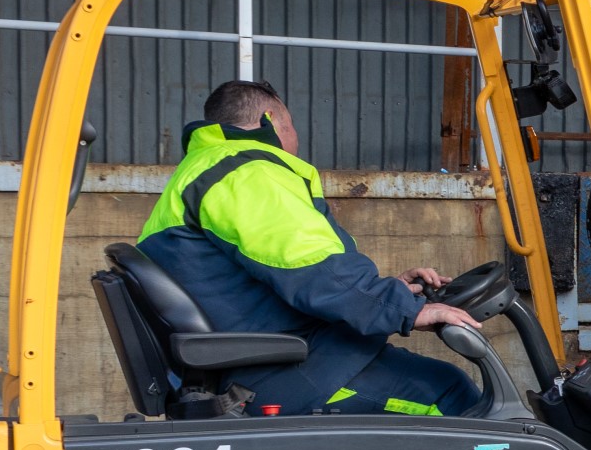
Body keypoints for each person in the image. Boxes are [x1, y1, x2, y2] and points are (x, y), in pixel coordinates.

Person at [138, 79, 483, 416]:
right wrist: (406, 309)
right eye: (290, 126)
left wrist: (388, 289)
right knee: (452, 394)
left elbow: (271, 277)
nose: (296, 139)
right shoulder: (246, 172)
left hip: (273, 359)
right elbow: (309, 268)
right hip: (290, 373)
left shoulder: (205, 169)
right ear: (269, 121)